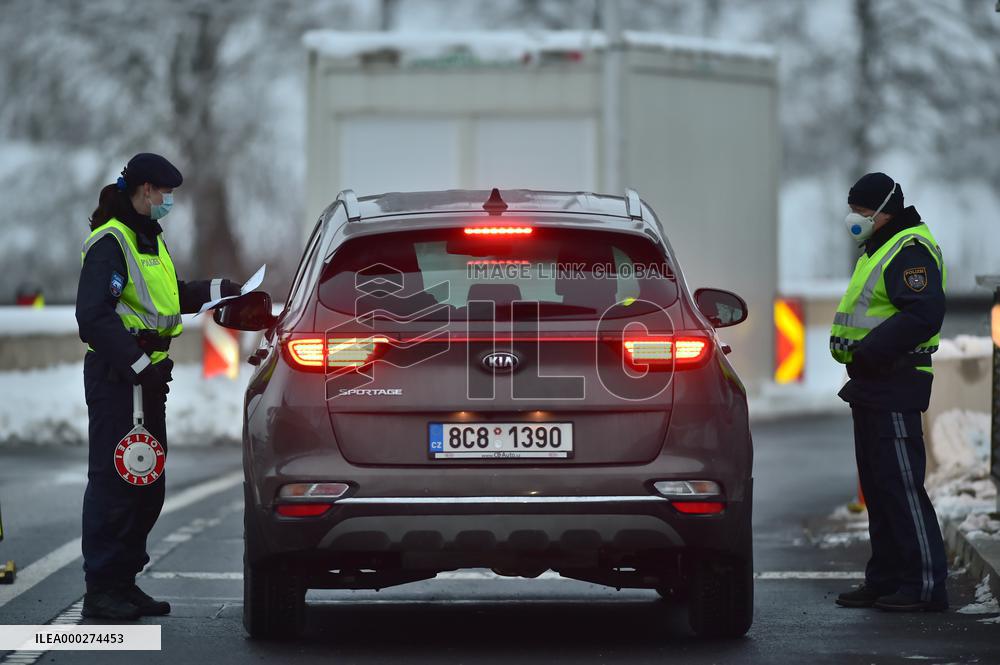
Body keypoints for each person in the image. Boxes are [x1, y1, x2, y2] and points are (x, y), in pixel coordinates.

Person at [76, 153, 244, 620]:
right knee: (115, 483)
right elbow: (93, 317)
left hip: (148, 380)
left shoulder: (147, 240)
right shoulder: (112, 242)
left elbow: (167, 299)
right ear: (145, 190)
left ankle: (124, 581)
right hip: (120, 381)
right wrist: (136, 365)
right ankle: (102, 589)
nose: (169, 201)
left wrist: (219, 290)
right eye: (165, 194)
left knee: (146, 484)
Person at [830, 172, 949, 612]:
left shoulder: (909, 248)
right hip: (872, 383)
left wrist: (869, 352)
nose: (855, 219)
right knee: (879, 489)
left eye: (861, 212)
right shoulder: (879, 247)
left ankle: (923, 585)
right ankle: (886, 578)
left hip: (896, 379)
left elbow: (923, 313)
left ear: (884, 210)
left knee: (901, 486)